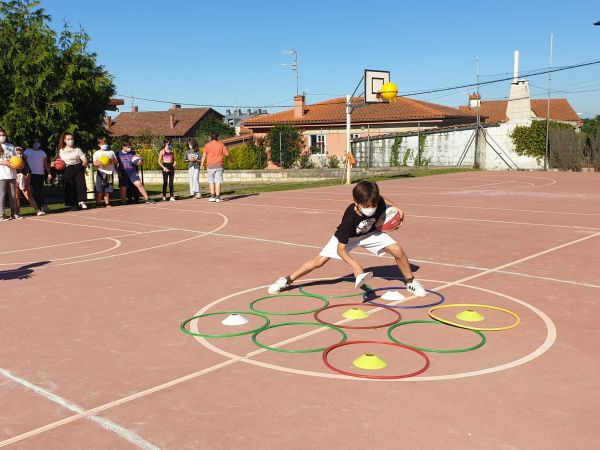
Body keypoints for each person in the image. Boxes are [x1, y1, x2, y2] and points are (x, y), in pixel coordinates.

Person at [267, 180, 427, 297]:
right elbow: (341, 249)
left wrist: (397, 208)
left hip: (370, 234)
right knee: (318, 262)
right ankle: (286, 280)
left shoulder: (378, 201)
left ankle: (410, 282)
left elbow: (384, 200)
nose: (371, 208)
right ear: (356, 202)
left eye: (373, 204)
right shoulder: (349, 217)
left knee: (397, 249)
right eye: (366, 205)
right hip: (348, 238)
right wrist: (356, 266)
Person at [54, 132, 88, 211]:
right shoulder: (61, 151)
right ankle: (73, 205)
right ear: (65, 140)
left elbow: (84, 159)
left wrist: (84, 163)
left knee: (80, 185)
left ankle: (81, 201)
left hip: (78, 167)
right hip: (67, 169)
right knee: (70, 187)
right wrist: (54, 164)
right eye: (68, 139)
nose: (71, 141)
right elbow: (57, 161)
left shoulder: (77, 149)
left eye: (72, 139)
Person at [116, 140, 154, 204]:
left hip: (132, 172)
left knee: (139, 184)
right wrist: (118, 172)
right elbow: (115, 164)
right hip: (123, 173)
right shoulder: (118, 153)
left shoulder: (133, 152)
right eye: (128, 147)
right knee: (123, 188)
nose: (129, 148)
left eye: (130, 146)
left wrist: (140, 160)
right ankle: (123, 203)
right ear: (123, 147)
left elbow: (140, 162)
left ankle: (147, 199)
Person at [14, 146, 45, 216]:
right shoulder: (12, 161)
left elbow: (28, 172)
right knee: (16, 196)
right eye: (17, 153)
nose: (19, 154)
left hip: (23, 178)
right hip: (15, 178)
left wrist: (27, 182)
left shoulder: (24, 161)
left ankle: (37, 210)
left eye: (20, 153)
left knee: (28, 194)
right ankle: (17, 213)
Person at [24, 137, 51, 213]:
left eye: (38, 142)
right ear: (32, 143)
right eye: (35, 142)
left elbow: (46, 164)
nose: (37, 143)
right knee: (34, 191)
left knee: (39, 191)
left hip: (40, 174)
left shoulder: (42, 152)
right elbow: (23, 162)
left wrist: (49, 173)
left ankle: (41, 206)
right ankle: (42, 206)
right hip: (30, 174)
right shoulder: (27, 151)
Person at [200, 132, 229, 203]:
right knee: (218, 181)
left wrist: (201, 165)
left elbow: (204, 156)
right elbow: (227, 154)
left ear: (210, 138)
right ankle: (218, 197)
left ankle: (212, 196)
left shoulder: (207, 145)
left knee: (211, 181)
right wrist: (231, 160)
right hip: (219, 165)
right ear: (217, 138)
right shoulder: (221, 144)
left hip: (210, 166)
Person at [92, 137, 118, 207]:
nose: (104, 144)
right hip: (101, 172)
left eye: (105, 143)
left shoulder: (111, 152)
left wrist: (110, 160)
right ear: (99, 144)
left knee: (107, 189)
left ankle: (107, 203)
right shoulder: (96, 153)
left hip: (109, 173)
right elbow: (94, 163)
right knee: (99, 189)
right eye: (102, 143)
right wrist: (101, 163)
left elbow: (116, 161)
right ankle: (98, 203)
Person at [0, 127, 19, 221]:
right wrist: (3, 163)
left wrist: (18, 163)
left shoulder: (11, 146)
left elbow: (15, 159)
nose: (2, 137)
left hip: (12, 173)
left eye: (3, 135)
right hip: (1, 174)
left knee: (13, 194)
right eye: (0, 135)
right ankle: (2, 214)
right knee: (2, 194)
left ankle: (13, 213)